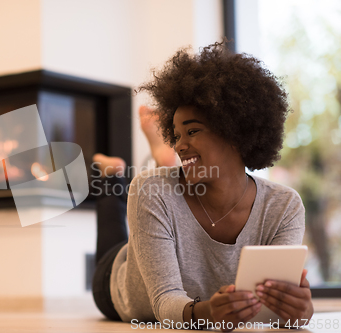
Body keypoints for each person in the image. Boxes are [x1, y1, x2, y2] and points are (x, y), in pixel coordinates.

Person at [90, 41, 313, 331]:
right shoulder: (152, 190)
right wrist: (207, 312)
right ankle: (112, 176)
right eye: (177, 135)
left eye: (192, 131)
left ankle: (157, 160)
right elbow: (164, 302)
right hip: (118, 286)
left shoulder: (283, 206)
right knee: (116, 234)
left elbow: (273, 308)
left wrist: (300, 311)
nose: (180, 145)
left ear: (236, 132)